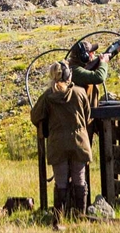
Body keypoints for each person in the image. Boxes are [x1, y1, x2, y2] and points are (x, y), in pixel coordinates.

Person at [30, 62, 93, 225]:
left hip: (57, 144)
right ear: (68, 76)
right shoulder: (80, 93)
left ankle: (58, 221)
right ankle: (81, 218)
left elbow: (35, 117)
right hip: (79, 143)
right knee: (80, 180)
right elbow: (87, 117)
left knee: (61, 182)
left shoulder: (47, 96)